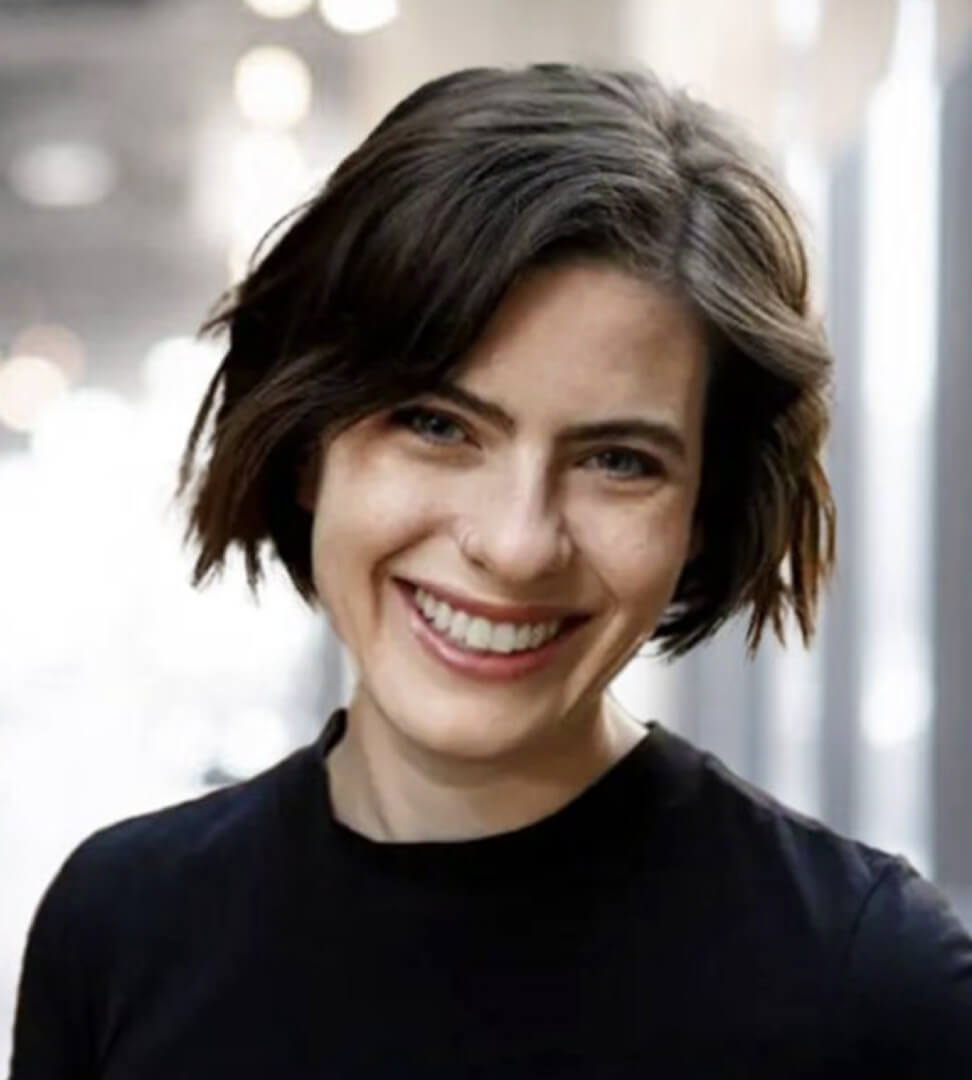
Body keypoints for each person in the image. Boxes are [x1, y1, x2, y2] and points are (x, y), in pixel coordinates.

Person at [9, 64, 972, 1079]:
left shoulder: (871, 989)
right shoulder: (120, 930)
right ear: (307, 447)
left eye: (618, 461)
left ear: (700, 516)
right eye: (437, 426)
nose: (516, 544)